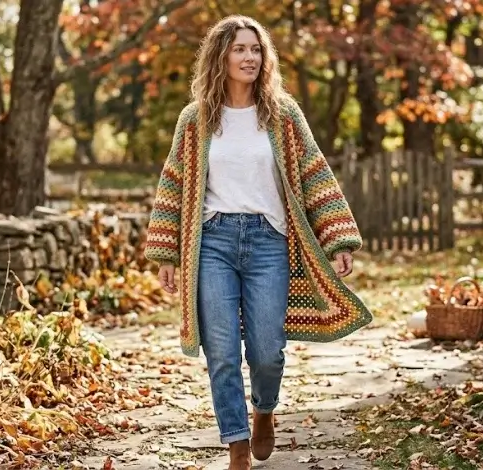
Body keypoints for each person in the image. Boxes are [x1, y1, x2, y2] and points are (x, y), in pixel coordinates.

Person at [143, 14, 373, 470]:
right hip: (213, 242)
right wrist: (167, 252)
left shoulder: (283, 115)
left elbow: (314, 174)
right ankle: (236, 445)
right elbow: (174, 184)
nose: (250, 57)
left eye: (256, 49)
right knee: (222, 351)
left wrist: (338, 239)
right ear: (220, 57)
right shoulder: (195, 120)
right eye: (240, 49)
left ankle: (264, 409)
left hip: (270, 243)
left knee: (267, 350)